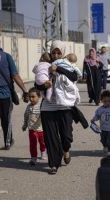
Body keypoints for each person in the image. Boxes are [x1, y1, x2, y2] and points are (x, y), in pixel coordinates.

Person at [35, 41, 79, 174]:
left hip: (65, 106)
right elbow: (37, 85)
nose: (55, 55)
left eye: (59, 52)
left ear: (63, 53)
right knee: (50, 137)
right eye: (53, 52)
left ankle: (66, 149)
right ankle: (54, 164)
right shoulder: (44, 66)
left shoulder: (68, 65)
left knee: (66, 135)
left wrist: (58, 69)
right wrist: (44, 86)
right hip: (48, 107)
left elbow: (74, 77)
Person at [22, 87, 47, 166]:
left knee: (43, 143)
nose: (31, 99)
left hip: (41, 129)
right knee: (32, 144)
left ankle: (43, 151)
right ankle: (33, 158)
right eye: (30, 97)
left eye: (33, 97)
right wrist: (25, 125)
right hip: (32, 129)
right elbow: (26, 116)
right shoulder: (28, 107)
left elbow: (45, 117)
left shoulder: (42, 106)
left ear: (39, 97)